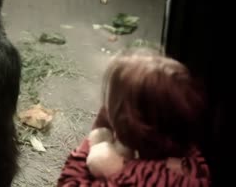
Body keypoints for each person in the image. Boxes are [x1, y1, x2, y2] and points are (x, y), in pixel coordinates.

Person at [57, 48, 211, 186]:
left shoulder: (131, 179)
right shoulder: (192, 163)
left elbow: (68, 183)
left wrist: (94, 142)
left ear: (127, 126)